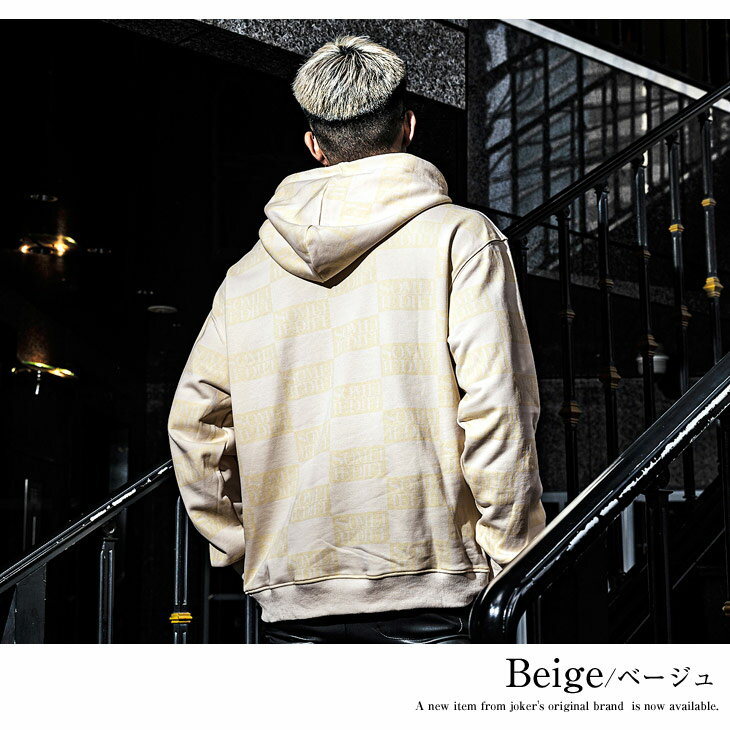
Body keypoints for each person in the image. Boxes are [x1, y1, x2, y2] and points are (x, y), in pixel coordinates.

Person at [167, 35, 546, 644]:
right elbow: (498, 407)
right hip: (433, 588)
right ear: (410, 126)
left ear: (314, 145)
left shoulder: (247, 276)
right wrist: (514, 555)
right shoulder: (460, 238)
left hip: (291, 600)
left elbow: (193, 425)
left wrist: (245, 546)